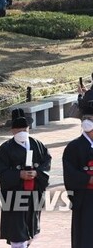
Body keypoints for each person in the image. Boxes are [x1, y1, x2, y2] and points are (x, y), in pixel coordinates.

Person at [0, 108, 51, 248]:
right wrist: (19, 174)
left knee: (32, 226)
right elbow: (0, 172)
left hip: (34, 192)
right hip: (15, 194)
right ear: (12, 131)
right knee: (16, 229)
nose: (22, 132)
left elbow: (46, 162)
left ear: (28, 128)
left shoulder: (37, 145)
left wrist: (37, 173)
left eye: (24, 129)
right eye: (19, 129)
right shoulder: (5, 149)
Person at [63, 101, 93, 248]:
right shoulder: (74, 147)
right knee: (86, 236)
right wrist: (88, 178)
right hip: (85, 199)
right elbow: (70, 175)